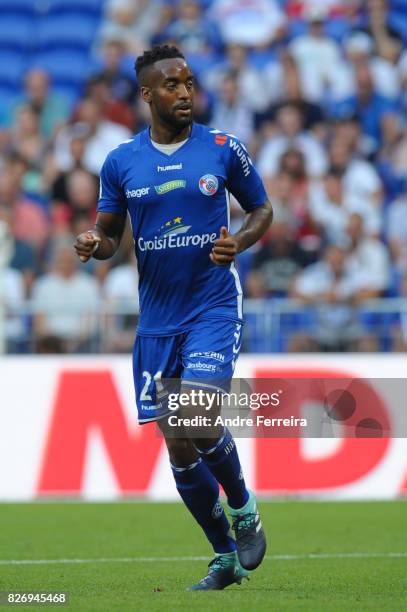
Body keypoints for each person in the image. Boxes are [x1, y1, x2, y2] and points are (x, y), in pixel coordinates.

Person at [74, 45, 273, 591]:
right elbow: (111, 234)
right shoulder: (121, 162)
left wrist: (242, 241)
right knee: (178, 440)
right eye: (172, 85)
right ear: (147, 95)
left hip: (212, 305)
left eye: (188, 82)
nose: (184, 92)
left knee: (197, 414)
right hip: (158, 319)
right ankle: (224, 558)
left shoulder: (221, 148)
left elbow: (262, 210)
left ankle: (245, 508)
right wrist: (96, 242)